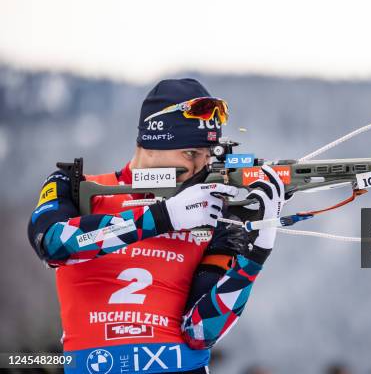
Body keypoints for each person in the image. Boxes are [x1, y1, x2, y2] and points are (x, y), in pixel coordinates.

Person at [27, 78, 286, 374]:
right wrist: (163, 219)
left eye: (207, 157)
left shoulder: (213, 213)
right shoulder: (75, 187)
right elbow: (53, 245)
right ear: (149, 145)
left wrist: (256, 255)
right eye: (189, 154)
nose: (198, 168)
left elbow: (201, 333)